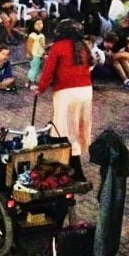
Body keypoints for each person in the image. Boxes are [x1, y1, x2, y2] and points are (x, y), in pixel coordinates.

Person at [33, 20, 93, 181]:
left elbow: (48, 72)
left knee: (62, 131)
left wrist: (40, 88)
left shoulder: (58, 47)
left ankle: (69, 169)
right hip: (86, 91)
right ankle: (74, 168)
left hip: (67, 93)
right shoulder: (83, 46)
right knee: (76, 130)